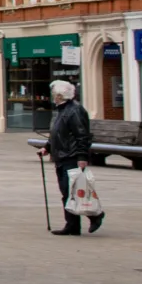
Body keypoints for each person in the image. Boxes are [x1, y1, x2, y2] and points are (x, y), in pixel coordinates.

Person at [46, 79, 102, 235]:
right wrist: (47, 147)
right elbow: (58, 133)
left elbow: (82, 135)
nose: (52, 97)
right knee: (67, 192)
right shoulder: (63, 110)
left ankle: (95, 215)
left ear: (60, 96)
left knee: (75, 191)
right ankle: (72, 225)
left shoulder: (74, 111)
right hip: (62, 155)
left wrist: (82, 156)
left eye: (54, 94)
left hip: (71, 156)